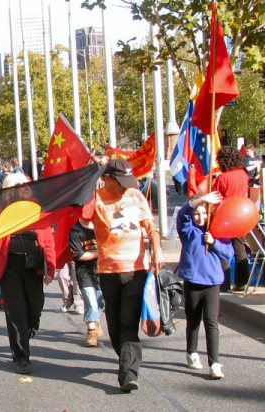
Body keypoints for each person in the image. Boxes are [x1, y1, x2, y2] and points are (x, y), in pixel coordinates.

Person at [91, 158, 163, 392]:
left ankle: (129, 374)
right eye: (120, 182)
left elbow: (150, 226)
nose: (125, 186)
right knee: (113, 324)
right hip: (108, 271)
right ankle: (125, 357)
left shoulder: (135, 195)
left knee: (128, 322)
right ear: (107, 178)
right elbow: (78, 218)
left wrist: (157, 247)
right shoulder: (96, 199)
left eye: (128, 181)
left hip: (136, 269)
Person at [0, 172, 56, 375]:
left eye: (27, 185)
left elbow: (48, 239)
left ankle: (27, 330)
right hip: (10, 267)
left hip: (34, 266)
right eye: (20, 185)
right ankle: (21, 357)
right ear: (10, 189)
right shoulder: (0, 211)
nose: (25, 187)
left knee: (35, 307)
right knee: (16, 312)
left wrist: (51, 267)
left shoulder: (37, 208)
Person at [177, 191, 233, 380]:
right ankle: (191, 352)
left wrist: (214, 242)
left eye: (204, 213)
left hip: (212, 283)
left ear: (210, 213)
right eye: (197, 214)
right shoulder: (188, 230)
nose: (200, 217)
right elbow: (182, 214)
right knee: (193, 321)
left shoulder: (217, 231)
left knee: (211, 322)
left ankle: (214, 363)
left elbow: (228, 254)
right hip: (193, 282)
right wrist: (201, 200)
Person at [213, 146, 250, 291]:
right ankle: (241, 283)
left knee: (223, 251)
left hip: (225, 216)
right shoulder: (243, 174)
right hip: (241, 215)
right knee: (240, 249)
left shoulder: (222, 178)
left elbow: (216, 197)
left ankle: (224, 283)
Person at [69, 215, 105, 347]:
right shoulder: (75, 231)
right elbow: (79, 255)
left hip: (102, 270)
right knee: (91, 301)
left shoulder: (100, 227)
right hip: (84, 272)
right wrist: (99, 253)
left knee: (101, 301)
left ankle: (95, 320)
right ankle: (91, 332)